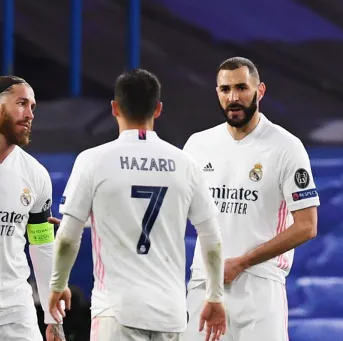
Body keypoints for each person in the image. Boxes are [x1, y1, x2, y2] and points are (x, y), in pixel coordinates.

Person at [48, 69, 227, 341]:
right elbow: (212, 240)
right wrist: (215, 296)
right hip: (170, 314)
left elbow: (67, 239)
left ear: (114, 108)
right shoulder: (185, 164)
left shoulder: (93, 160)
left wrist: (58, 285)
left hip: (118, 311)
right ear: (158, 110)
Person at [183, 57, 319, 341]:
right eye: (225, 89)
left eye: (242, 87)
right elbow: (171, 209)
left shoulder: (286, 147)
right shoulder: (197, 145)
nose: (233, 97)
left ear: (260, 91)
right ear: (217, 93)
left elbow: (307, 225)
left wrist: (243, 262)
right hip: (205, 283)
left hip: (259, 285)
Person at [0, 76, 68, 341]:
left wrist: (53, 319)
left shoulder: (36, 174)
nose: (30, 114)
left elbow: (41, 243)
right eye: (22, 104)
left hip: (18, 313)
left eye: (32, 107)